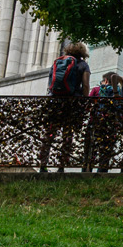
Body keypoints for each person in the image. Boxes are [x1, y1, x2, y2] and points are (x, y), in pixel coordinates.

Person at [43, 41, 91, 172]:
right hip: (72, 102)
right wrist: (85, 100)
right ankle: (61, 166)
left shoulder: (58, 62)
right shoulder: (83, 65)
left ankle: (43, 163)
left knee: (49, 133)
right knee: (67, 134)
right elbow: (86, 85)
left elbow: (50, 83)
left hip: (55, 101)